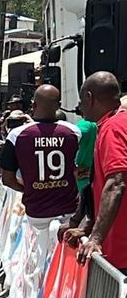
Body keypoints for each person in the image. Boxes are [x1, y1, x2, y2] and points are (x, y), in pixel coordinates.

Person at [62, 73, 127, 270]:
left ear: (89, 97)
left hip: (120, 250)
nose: (80, 107)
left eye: (81, 101)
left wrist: (95, 238)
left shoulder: (113, 128)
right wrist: (88, 228)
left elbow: (117, 182)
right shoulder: (116, 123)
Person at [0, 85, 81, 226]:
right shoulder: (73, 132)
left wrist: (30, 189)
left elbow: (7, 179)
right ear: (59, 106)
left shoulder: (17, 135)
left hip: (37, 212)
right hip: (69, 211)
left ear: (33, 104)